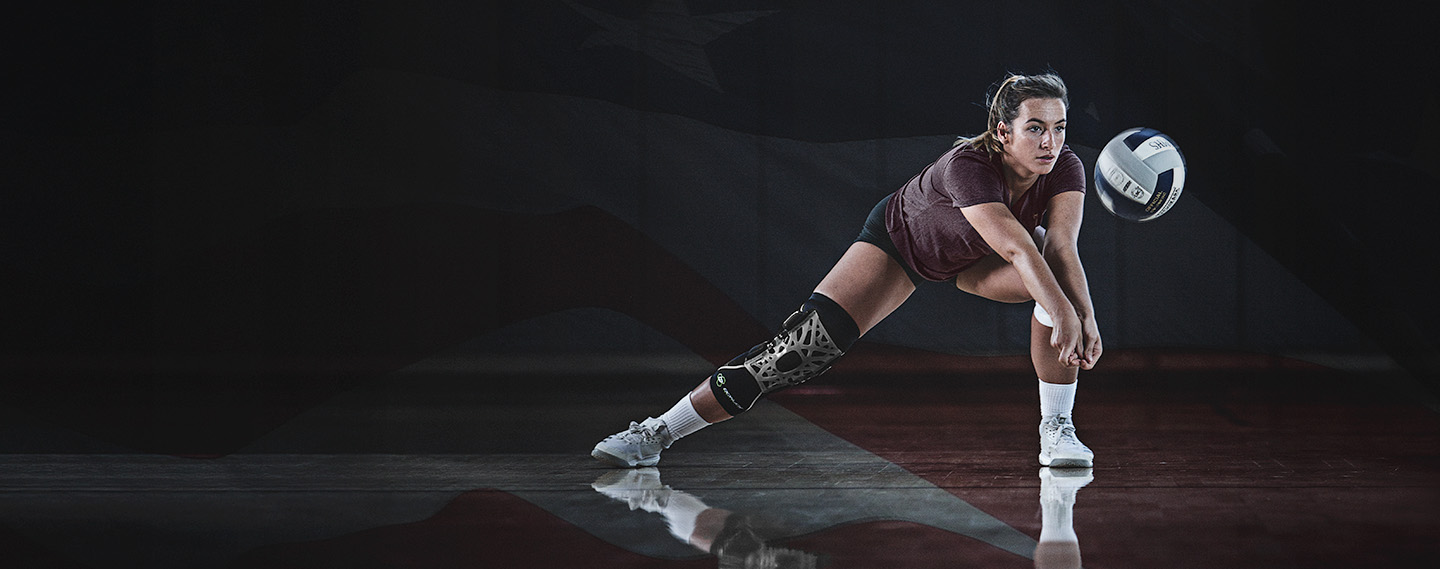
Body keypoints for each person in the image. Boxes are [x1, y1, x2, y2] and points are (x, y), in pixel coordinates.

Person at [592, 72, 1102, 469]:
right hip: (902, 244)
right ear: (1002, 131)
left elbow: (1061, 246)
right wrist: (1066, 313)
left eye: (1058, 128)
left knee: (1053, 281)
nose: (1049, 142)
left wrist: (1085, 315)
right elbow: (1018, 249)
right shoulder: (966, 165)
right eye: (1034, 128)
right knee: (798, 352)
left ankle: (1057, 429)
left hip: (976, 262)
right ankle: (655, 434)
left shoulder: (1066, 167)